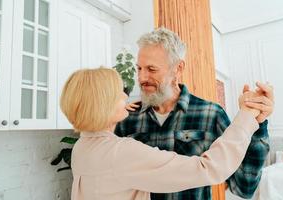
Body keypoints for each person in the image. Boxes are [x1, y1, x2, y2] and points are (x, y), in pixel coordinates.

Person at [115, 27, 274, 200]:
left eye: (151, 69)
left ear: (178, 68)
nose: (142, 77)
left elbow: (244, 186)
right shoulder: (126, 118)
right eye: (139, 68)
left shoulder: (211, 115)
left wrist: (256, 122)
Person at [61, 67, 264, 200]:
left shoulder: (82, 148)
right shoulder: (120, 152)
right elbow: (208, 168)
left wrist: (115, 114)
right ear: (101, 106)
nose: (125, 95)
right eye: (117, 93)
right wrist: (247, 116)